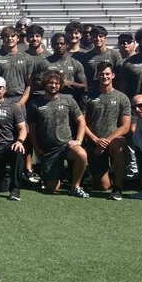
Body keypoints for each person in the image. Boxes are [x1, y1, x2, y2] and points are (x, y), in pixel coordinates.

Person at [25, 69, 89, 198]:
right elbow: (31, 129)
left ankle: (75, 187)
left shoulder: (68, 100)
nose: (53, 85)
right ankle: (55, 172)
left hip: (67, 145)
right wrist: (36, 148)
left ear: (60, 85)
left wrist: (78, 140)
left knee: (81, 154)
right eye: (50, 83)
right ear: (44, 84)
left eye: (56, 83)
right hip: (48, 150)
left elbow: (81, 121)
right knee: (52, 188)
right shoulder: (35, 104)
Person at [83, 62, 132, 200]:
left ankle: (118, 187)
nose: (105, 76)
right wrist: (95, 140)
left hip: (113, 141)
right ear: (97, 76)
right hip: (94, 141)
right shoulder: (88, 97)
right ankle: (104, 176)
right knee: (103, 186)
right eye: (102, 74)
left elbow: (125, 126)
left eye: (107, 74)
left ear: (113, 75)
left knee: (119, 146)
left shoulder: (122, 98)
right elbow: (82, 123)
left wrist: (105, 142)